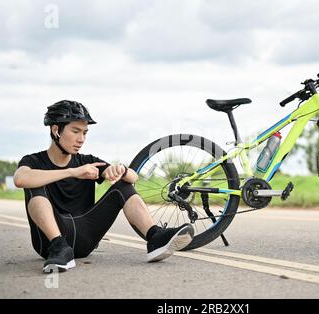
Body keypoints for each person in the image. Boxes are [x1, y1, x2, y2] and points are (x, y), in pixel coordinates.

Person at [13, 100, 194, 273]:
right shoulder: (34, 160)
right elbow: (20, 179)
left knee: (124, 185)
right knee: (33, 184)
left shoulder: (87, 162)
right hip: (49, 244)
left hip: (86, 236)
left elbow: (133, 177)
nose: (81, 139)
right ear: (56, 130)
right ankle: (60, 246)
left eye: (85, 133)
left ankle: (155, 237)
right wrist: (72, 172)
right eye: (75, 131)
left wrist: (120, 169)